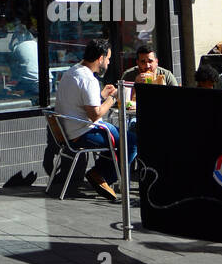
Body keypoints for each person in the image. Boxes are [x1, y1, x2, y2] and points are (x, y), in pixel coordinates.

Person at [55, 38, 136, 202]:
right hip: (82, 133)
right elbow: (95, 114)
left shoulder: (72, 72)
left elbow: (81, 104)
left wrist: (101, 96)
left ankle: (100, 172)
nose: (108, 62)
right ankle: (102, 175)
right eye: (108, 58)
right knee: (132, 141)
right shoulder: (89, 79)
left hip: (68, 131)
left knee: (121, 138)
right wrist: (113, 98)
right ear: (100, 58)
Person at [9, 20, 39, 100]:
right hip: (47, 82)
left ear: (16, 35)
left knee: (8, 93)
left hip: (30, 84)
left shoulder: (17, 47)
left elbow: (14, 69)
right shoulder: (36, 45)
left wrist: (12, 39)